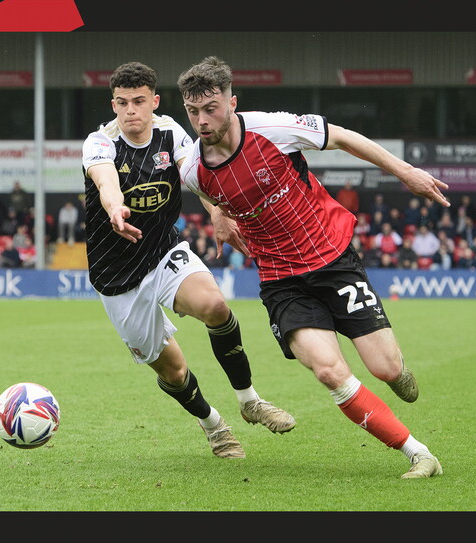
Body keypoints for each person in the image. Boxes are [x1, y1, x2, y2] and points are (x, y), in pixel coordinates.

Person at [178, 56, 445, 478]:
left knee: (385, 368)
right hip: (281, 281)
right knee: (329, 372)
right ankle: (419, 454)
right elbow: (202, 189)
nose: (202, 120)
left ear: (232, 102)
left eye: (211, 108)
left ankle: (396, 373)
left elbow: (341, 137)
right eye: (193, 112)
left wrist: (405, 172)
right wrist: (217, 215)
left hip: (333, 259)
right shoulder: (192, 166)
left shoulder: (271, 129)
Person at [82, 61, 295, 459]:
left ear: (154, 102)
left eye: (139, 101)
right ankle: (214, 425)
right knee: (175, 372)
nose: (131, 110)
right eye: (123, 102)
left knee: (214, 305)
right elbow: (105, 180)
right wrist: (114, 208)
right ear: (113, 104)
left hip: (164, 252)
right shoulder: (99, 142)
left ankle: (250, 400)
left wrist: (217, 213)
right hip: (117, 279)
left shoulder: (170, 132)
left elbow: (196, 175)